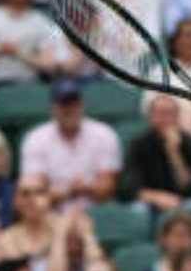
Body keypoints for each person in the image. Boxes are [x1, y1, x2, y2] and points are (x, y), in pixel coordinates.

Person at [18, 79, 122, 211]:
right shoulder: (36, 139)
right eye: (63, 104)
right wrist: (70, 191)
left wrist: (84, 188)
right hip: (52, 214)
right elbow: (36, 194)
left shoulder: (104, 134)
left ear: (81, 104)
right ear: (53, 108)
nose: (69, 109)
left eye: (73, 103)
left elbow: (107, 190)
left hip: (98, 213)